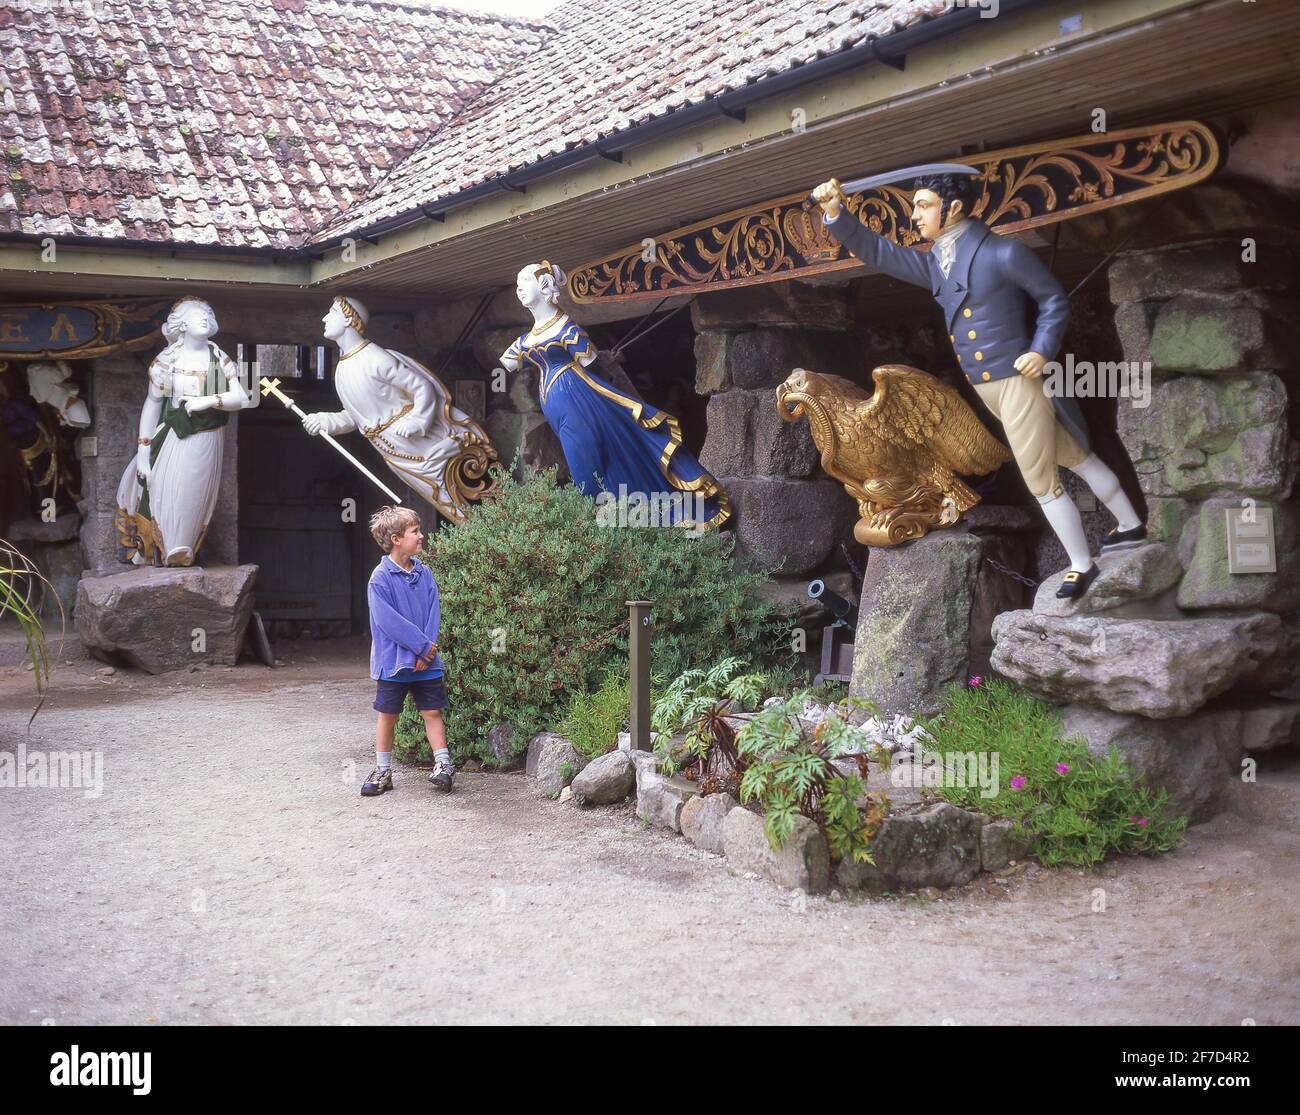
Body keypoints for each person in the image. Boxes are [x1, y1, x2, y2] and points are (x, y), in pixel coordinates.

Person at [811, 174, 1145, 599]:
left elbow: (1053, 300)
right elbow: (880, 252)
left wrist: (1041, 349)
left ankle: (1082, 564)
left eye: (923, 205)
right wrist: (837, 214)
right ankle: (1132, 526)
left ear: (953, 208)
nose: (914, 215)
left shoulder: (1002, 252)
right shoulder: (939, 264)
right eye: (915, 206)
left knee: (1039, 480)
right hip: (990, 389)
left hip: (1018, 382)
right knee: (1075, 455)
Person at [497, 260, 729, 529]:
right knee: (586, 466)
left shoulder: (566, 329)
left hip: (580, 406)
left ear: (544, 286)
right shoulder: (531, 337)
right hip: (559, 408)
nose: (518, 290)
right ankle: (616, 524)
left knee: (587, 467)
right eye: (515, 285)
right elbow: (507, 361)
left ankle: (604, 528)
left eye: (523, 284)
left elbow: (590, 361)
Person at [114, 296, 251, 566]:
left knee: (195, 491)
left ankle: (183, 546)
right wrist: (143, 452)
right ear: (181, 325)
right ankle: (166, 547)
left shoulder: (219, 358)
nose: (204, 316)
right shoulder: (168, 360)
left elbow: (243, 398)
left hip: (208, 436)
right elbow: (152, 404)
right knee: (166, 488)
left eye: (207, 313)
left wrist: (208, 401)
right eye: (195, 313)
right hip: (175, 435)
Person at [363, 505, 453, 796]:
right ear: (396, 539)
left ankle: (443, 765)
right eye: (415, 532)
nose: (422, 536)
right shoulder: (380, 578)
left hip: (427, 662)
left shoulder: (425, 574)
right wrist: (421, 648)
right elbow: (388, 622)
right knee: (387, 716)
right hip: (394, 664)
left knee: (432, 712)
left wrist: (427, 651)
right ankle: (383, 770)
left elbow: (432, 612)